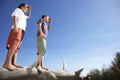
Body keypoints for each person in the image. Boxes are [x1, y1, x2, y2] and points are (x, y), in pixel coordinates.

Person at [3, 3, 31, 71]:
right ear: (22, 6)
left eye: (27, 7)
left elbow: (29, 16)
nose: (27, 8)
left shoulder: (23, 15)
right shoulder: (18, 10)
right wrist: (15, 26)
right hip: (17, 28)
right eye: (26, 7)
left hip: (22, 30)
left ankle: (14, 63)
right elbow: (14, 17)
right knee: (14, 43)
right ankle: (7, 63)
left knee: (17, 46)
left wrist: (29, 10)